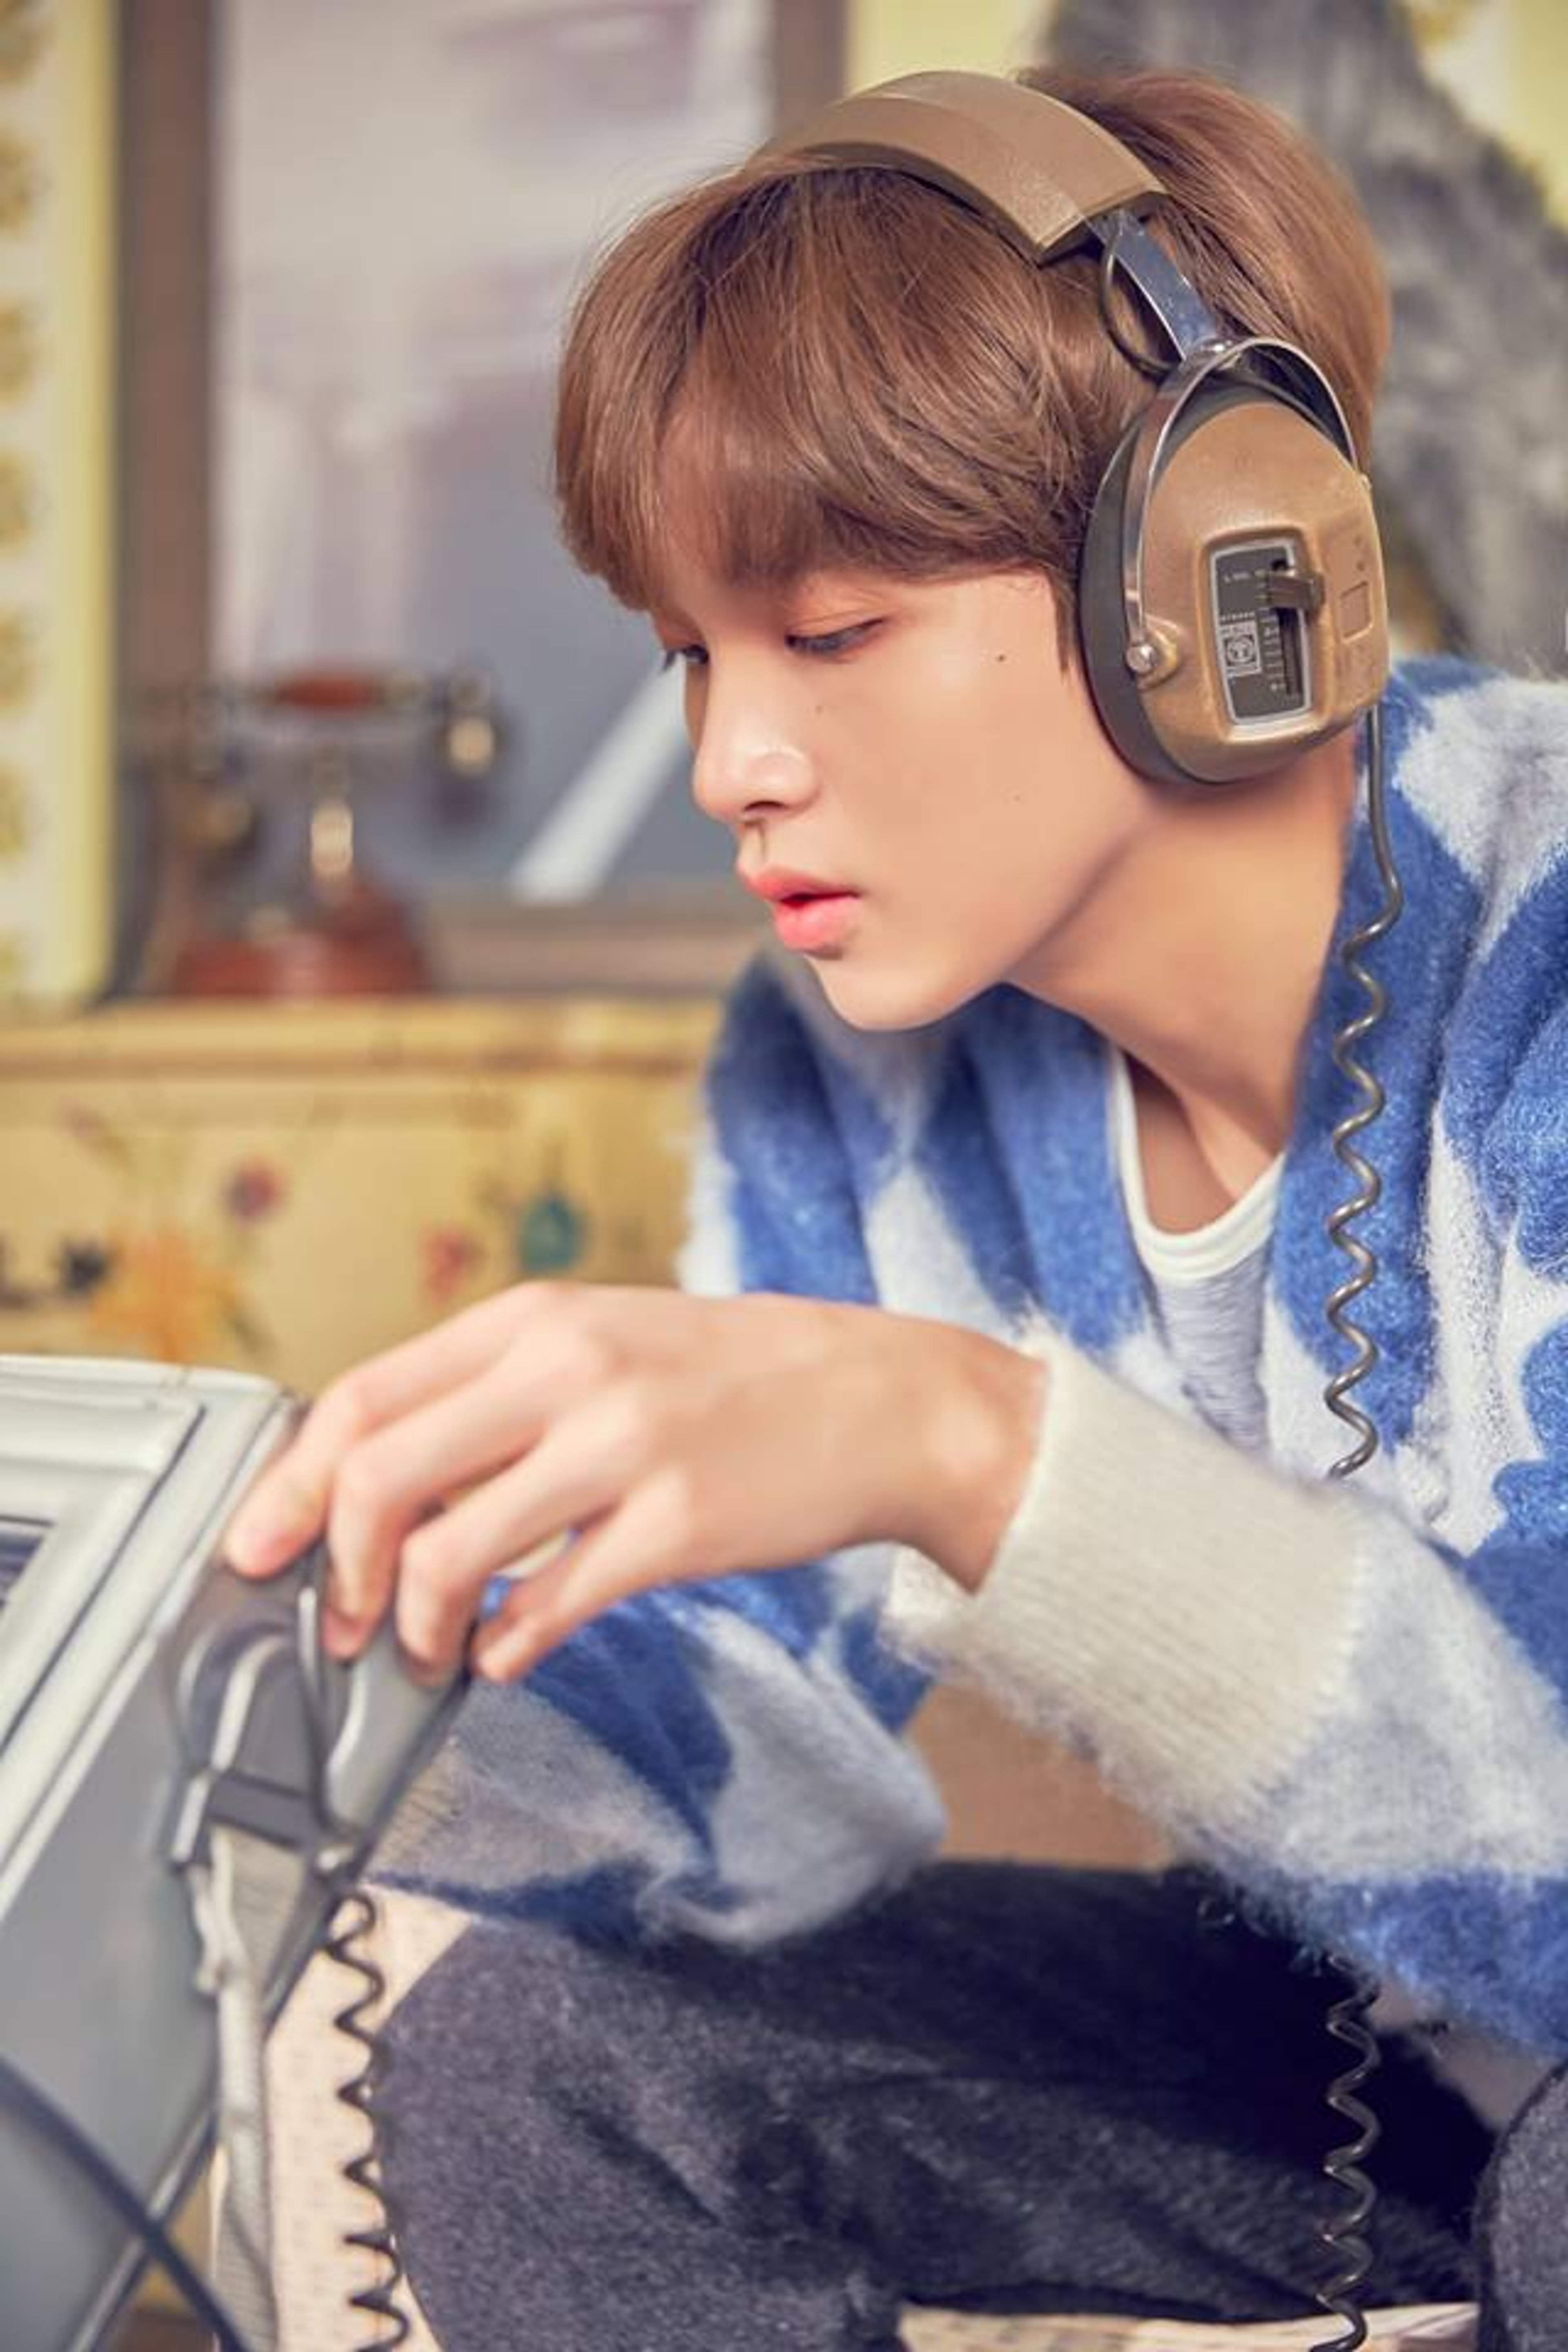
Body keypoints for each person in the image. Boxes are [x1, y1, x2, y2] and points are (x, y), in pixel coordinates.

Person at [222, 62, 1568, 2350]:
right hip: (1392, 2082)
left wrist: (965, 1445)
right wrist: (293, 1684)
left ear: (1223, 567)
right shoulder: (847, 1065)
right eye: (691, 655)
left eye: (827, 635)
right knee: (518, 2057)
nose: (729, 764)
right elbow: (771, 1748)